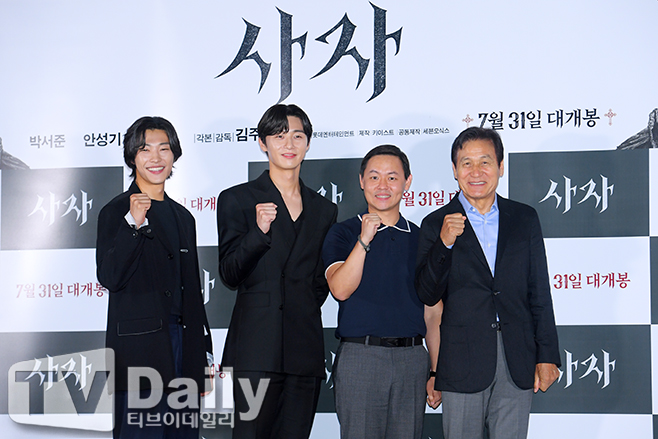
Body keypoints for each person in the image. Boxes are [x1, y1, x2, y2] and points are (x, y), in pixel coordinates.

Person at [415, 127, 561, 439]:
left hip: (516, 357)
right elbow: (426, 293)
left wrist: (547, 355)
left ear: (501, 166)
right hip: (461, 360)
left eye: (485, 162)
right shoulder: (435, 223)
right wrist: (444, 244)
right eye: (466, 163)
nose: (476, 171)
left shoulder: (524, 218)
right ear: (454, 170)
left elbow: (539, 291)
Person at [216, 104, 337, 439]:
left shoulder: (324, 209)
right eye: (279, 136)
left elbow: (319, 281)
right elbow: (229, 273)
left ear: (308, 143)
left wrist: (301, 307)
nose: (289, 144)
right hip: (255, 350)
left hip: (304, 351)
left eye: (297, 136)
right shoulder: (237, 199)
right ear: (262, 143)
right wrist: (258, 232)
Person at [96, 116, 213, 439]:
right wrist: (132, 225)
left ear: (174, 155)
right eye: (145, 149)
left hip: (184, 348)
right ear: (132, 156)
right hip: (139, 354)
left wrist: (202, 355)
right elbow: (110, 276)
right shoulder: (115, 211)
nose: (156, 158)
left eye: (164, 148)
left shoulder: (184, 217)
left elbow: (193, 291)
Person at [322, 144, 442, 439]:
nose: (383, 186)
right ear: (361, 181)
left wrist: (435, 371)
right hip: (361, 358)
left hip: (412, 359)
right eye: (374, 177)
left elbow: (433, 313)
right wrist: (364, 240)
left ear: (407, 182)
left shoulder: (422, 238)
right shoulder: (343, 232)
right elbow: (340, 289)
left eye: (392, 177)